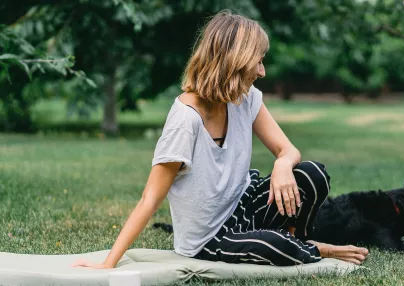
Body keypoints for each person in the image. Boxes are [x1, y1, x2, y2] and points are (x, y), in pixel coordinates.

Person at [72, 10, 368, 269]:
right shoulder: (186, 121)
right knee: (277, 247)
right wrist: (108, 262)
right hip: (210, 237)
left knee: (312, 175)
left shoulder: (246, 98)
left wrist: (282, 164)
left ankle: (297, 239)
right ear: (235, 62)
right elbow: (150, 199)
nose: (263, 71)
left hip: (245, 202)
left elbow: (288, 150)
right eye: (258, 61)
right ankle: (311, 247)